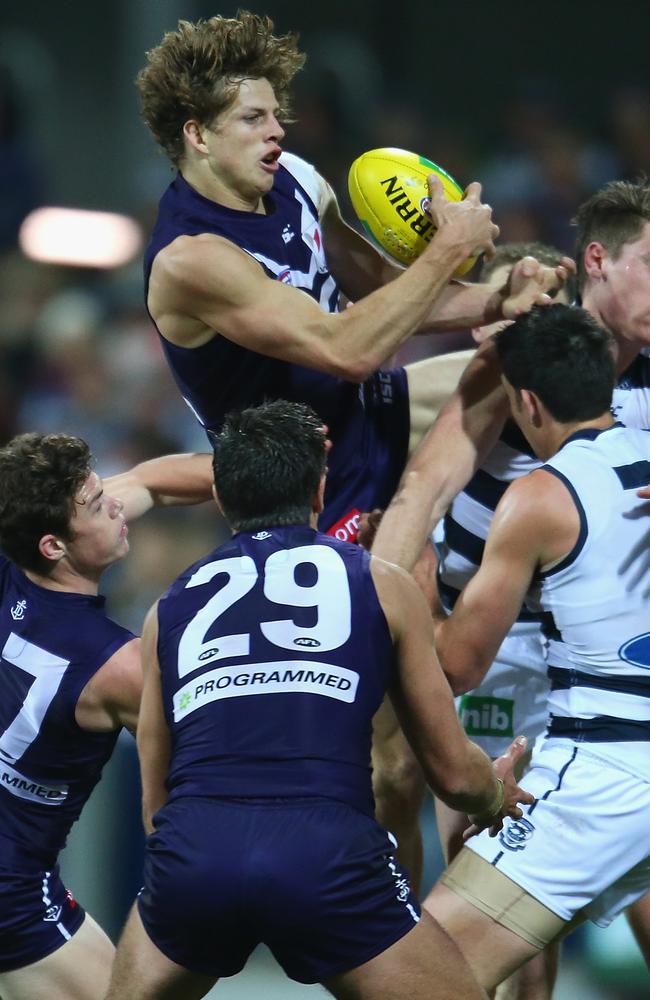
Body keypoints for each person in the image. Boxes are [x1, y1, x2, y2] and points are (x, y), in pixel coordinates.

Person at [103, 399, 533, 1000]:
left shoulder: (167, 608)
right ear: (321, 489)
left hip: (197, 853)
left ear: (222, 500)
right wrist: (492, 796)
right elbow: (452, 775)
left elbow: (156, 801)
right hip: (327, 853)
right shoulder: (381, 582)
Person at [136, 12, 570, 542]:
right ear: (198, 135)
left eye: (275, 114)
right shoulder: (191, 260)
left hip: (368, 413)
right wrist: (448, 248)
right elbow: (347, 350)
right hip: (306, 493)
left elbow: (382, 287)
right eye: (253, 118)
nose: (277, 130)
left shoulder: (294, 179)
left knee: (546, 356)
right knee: (407, 614)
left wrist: (500, 300)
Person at [370, 182, 650, 995]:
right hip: (499, 637)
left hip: (598, 661)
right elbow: (423, 487)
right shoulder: (516, 355)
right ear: (597, 261)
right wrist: (395, 593)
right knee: (486, 866)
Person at [420, 304, 650, 991]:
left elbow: (457, 665)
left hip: (603, 772)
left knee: (423, 967)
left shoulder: (540, 496)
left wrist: (413, 594)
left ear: (525, 402)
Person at [0, 435, 213, 1000]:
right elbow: (223, 740)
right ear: (53, 546)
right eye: (97, 506)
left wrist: (268, 474)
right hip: (10, 889)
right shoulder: (118, 665)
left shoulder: (14, 556)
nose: (114, 504)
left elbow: (147, 483)